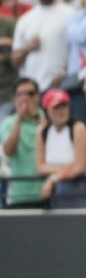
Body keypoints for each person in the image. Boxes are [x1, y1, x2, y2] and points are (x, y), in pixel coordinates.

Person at [35, 88, 86, 208]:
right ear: (46, 110)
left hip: (82, 187)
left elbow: (80, 167)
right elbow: (40, 166)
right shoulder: (42, 131)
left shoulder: (78, 128)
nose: (61, 111)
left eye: (64, 106)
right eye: (56, 107)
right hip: (58, 189)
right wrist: (66, 169)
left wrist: (54, 177)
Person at [11, 0, 73, 91]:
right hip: (33, 88)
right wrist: (28, 47)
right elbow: (14, 60)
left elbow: (78, 50)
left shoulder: (70, 14)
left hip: (63, 83)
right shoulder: (25, 20)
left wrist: (65, 71)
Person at [1, 78, 45, 208]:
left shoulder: (47, 119)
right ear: (13, 99)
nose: (25, 99)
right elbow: (8, 151)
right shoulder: (8, 123)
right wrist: (20, 118)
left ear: (38, 97)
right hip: (19, 195)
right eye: (20, 95)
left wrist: (38, 119)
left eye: (30, 94)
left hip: (45, 192)